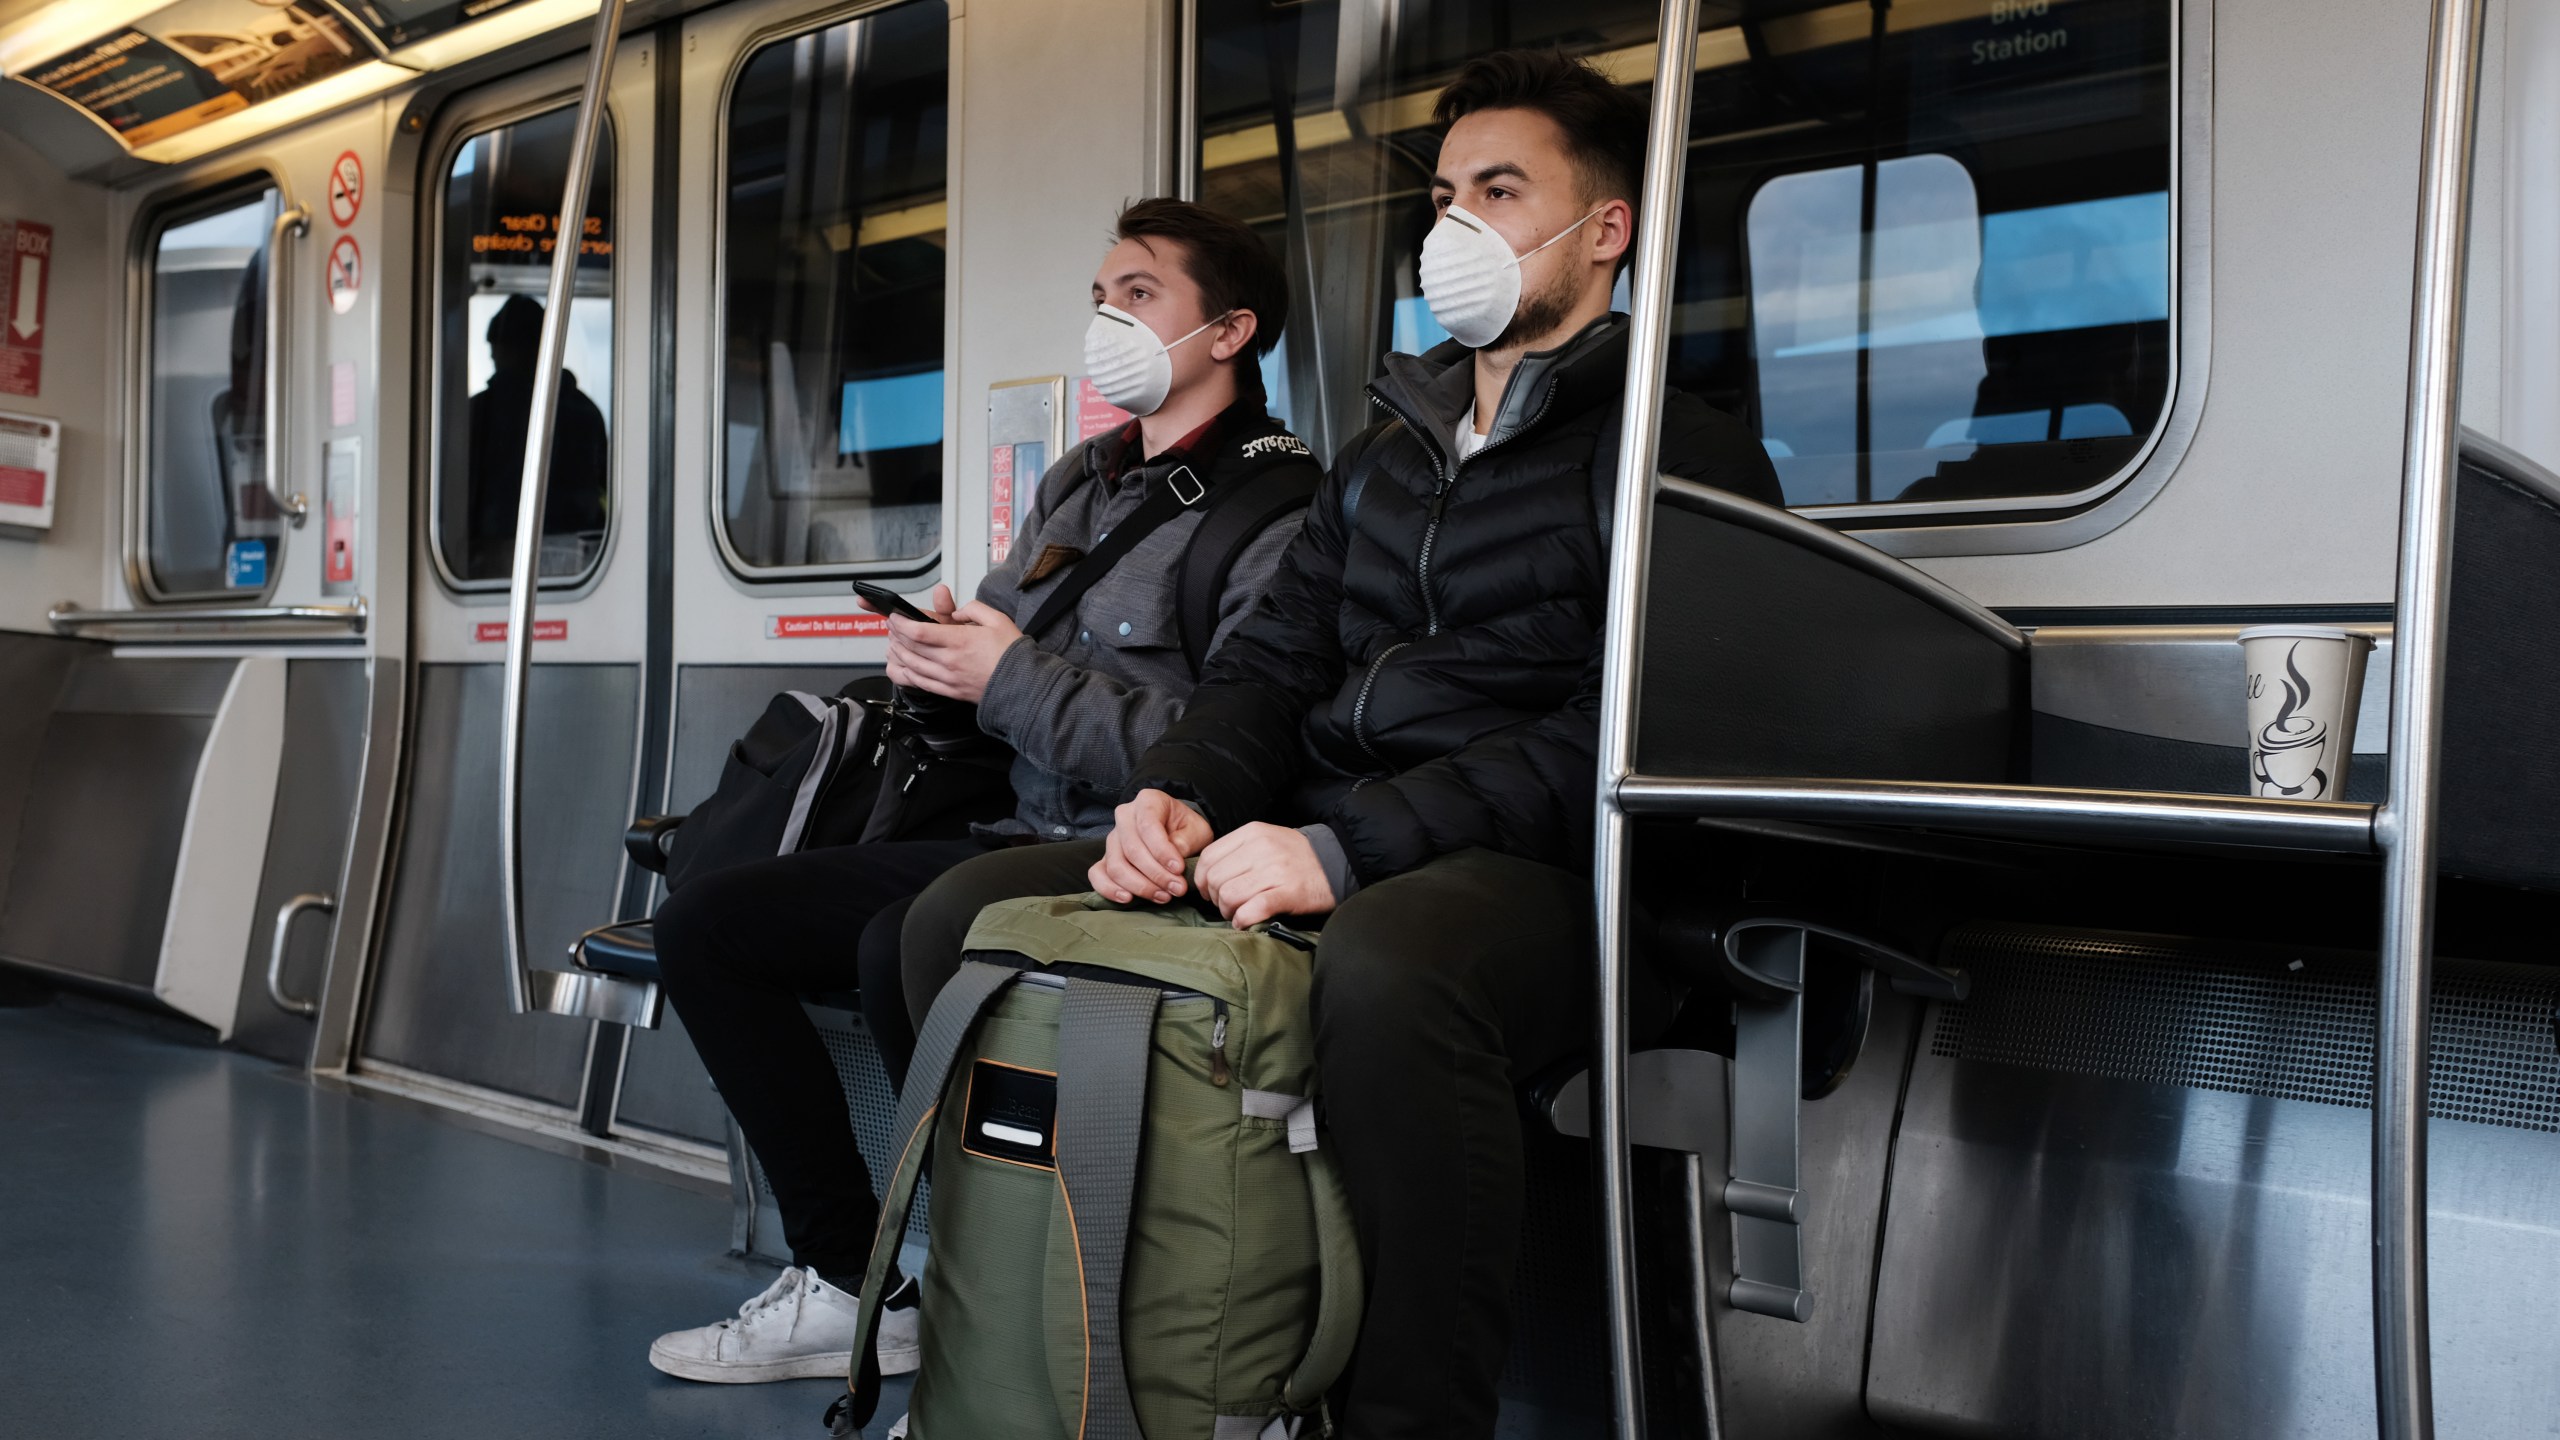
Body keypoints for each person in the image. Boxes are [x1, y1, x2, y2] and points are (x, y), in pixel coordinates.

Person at [900, 51, 1782, 1436]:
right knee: (964, 915)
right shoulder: (1386, 450)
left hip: (1552, 864)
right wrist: (1184, 794)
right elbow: (1272, 663)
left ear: (1604, 229)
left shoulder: (1676, 445)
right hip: (1328, 822)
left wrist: (1341, 847)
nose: (1457, 229)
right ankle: (1040, 1348)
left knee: (1390, 969)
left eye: (1502, 192)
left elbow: (1619, 730)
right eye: (1444, 196)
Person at [645, 199, 1310, 1385]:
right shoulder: (1083, 481)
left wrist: (1007, 676)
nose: (1110, 316)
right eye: (1103, 296)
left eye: (1141, 294)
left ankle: (989, 1295)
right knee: (712, 926)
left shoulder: (1277, 513)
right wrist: (943, 654)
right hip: (1011, 821)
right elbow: (1002, 648)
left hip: (1137, 847)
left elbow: (1228, 740)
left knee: (909, 940)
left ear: (1230, 330)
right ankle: (859, 1279)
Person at [465, 294, 609, 579]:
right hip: (582, 568)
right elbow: (604, 494)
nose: (493, 356)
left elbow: (461, 497)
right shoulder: (586, 412)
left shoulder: (479, 413)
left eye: (497, 348)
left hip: (490, 564)